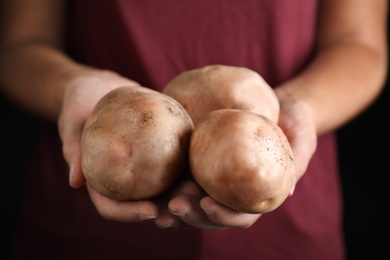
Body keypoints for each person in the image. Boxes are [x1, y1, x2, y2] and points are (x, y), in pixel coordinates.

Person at [0, 0, 387, 259]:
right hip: (84, 227)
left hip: (284, 219)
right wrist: (70, 86)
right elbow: (19, 47)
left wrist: (302, 106)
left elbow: (359, 44)